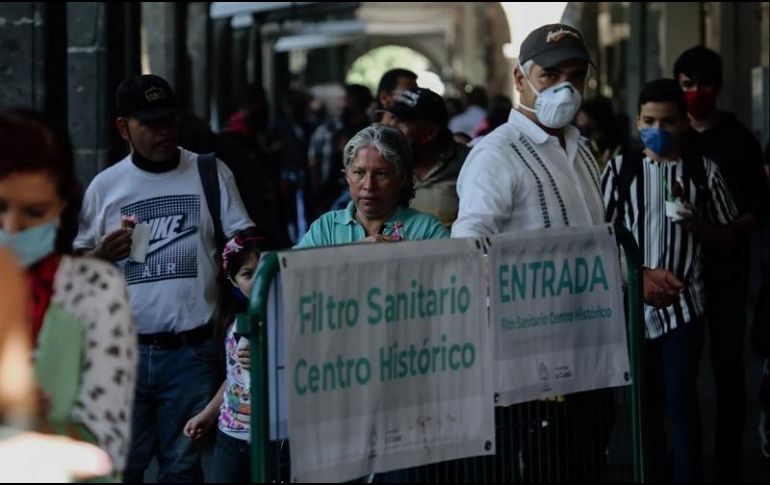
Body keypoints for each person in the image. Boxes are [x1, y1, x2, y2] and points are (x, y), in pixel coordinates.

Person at [450, 23, 682, 481]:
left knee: (585, 461)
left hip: (591, 354)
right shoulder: (496, 154)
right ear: (520, 80)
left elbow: (595, 238)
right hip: (531, 365)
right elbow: (468, 248)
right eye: (550, 76)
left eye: (576, 76)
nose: (565, 88)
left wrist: (635, 274)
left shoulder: (580, 149)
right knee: (544, 466)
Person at [74, 74, 254, 482]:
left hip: (192, 352)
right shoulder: (105, 188)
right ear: (124, 128)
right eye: (150, 123)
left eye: (168, 120)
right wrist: (102, 254)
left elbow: (246, 248)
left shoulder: (209, 173)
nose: (163, 131)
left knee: (182, 467)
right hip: (124, 354)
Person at [603, 78, 740, 482]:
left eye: (667, 121)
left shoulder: (702, 172)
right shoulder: (621, 169)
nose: (657, 130)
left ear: (683, 122)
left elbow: (728, 232)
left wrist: (698, 225)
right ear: (637, 120)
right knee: (643, 408)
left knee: (682, 404)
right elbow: (602, 233)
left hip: (686, 307)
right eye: (649, 121)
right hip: (633, 306)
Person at [0, 108, 136, 477]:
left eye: (33, 212)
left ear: (61, 206)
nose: (11, 229)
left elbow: (103, 449)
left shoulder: (92, 291)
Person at [673, 46, 770, 481]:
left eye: (704, 85)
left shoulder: (738, 139)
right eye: (687, 85)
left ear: (719, 87)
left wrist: (732, 229)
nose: (695, 94)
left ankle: (728, 462)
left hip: (729, 268)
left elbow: (758, 205)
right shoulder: (675, 138)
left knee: (728, 368)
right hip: (680, 270)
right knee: (682, 370)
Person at [183, 228, 265, 482]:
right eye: (247, 274)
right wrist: (207, 415)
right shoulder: (232, 324)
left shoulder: (289, 318)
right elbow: (234, 377)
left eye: (264, 269)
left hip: (272, 440)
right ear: (233, 281)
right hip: (230, 436)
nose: (259, 280)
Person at [297, 123, 448, 248]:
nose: (369, 186)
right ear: (347, 177)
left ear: (402, 178)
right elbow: (292, 274)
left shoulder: (427, 231)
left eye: (381, 174)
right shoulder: (326, 228)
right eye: (359, 173)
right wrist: (353, 255)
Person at [381, 88, 469, 228]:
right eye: (393, 119)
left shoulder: (469, 166)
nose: (392, 128)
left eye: (403, 122)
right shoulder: (389, 166)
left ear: (431, 131)